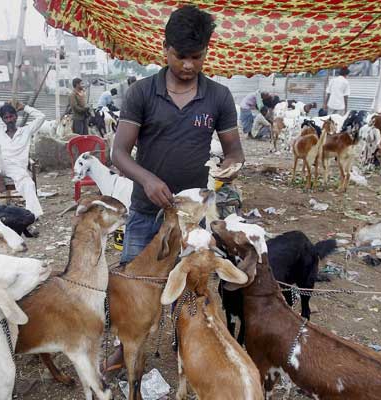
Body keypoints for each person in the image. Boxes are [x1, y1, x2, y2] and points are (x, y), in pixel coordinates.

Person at [109, 5, 245, 372]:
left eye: (196, 57)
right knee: (134, 280)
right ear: (165, 49)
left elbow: (234, 150)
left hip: (191, 214)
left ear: (206, 53)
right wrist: (147, 178)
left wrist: (231, 168)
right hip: (145, 208)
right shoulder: (141, 93)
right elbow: (119, 152)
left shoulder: (218, 97)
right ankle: (127, 346)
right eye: (180, 56)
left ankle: (188, 344)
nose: (188, 65)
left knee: (193, 283)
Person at [0, 101, 45, 217]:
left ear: (16, 117)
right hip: (0, 166)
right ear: (3, 120)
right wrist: (4, 103)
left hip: (17, 168)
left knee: (29, 185)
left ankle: (31, 216)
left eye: (11, 116)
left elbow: (41, 117)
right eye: (6, 118)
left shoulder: (25, 131)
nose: (9, 120)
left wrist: (24, 107)